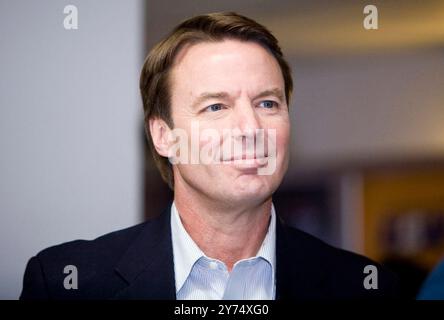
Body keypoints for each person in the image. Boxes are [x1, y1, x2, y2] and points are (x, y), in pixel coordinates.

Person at [20, 12, 399, 300]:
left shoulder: (363, 285)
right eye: (216, 107)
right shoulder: (68, 283)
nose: (251, 128)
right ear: (164, 137)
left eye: (268, 102)